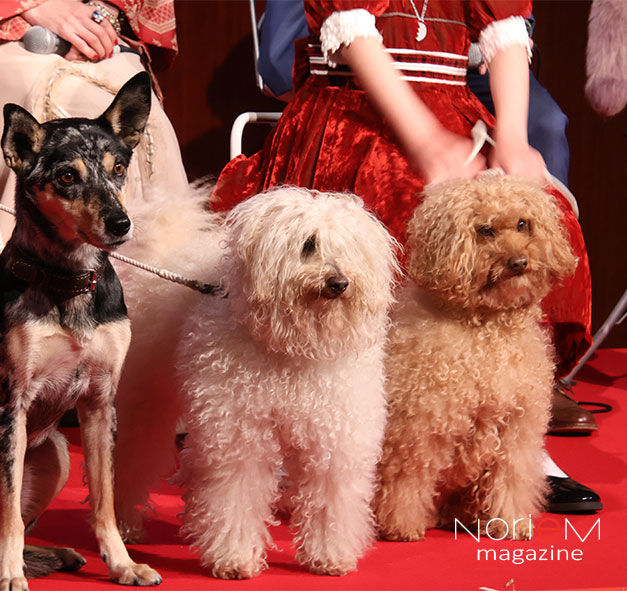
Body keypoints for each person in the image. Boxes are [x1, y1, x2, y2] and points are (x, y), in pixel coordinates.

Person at [213, 1, 597, 512]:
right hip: (358, 107)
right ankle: (337, 439)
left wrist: (513, 139)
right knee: (397, 208)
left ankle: (501, 440)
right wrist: (426, 140)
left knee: (525, 219)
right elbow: (351, 27)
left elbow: (504, 23)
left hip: (452, 102)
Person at [0, 0, 188, 261]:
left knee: (150, 123)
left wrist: (102, 13)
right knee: (54, 100)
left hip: (94, 21)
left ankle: (161, 276)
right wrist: (33, 6)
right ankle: (12, 269)